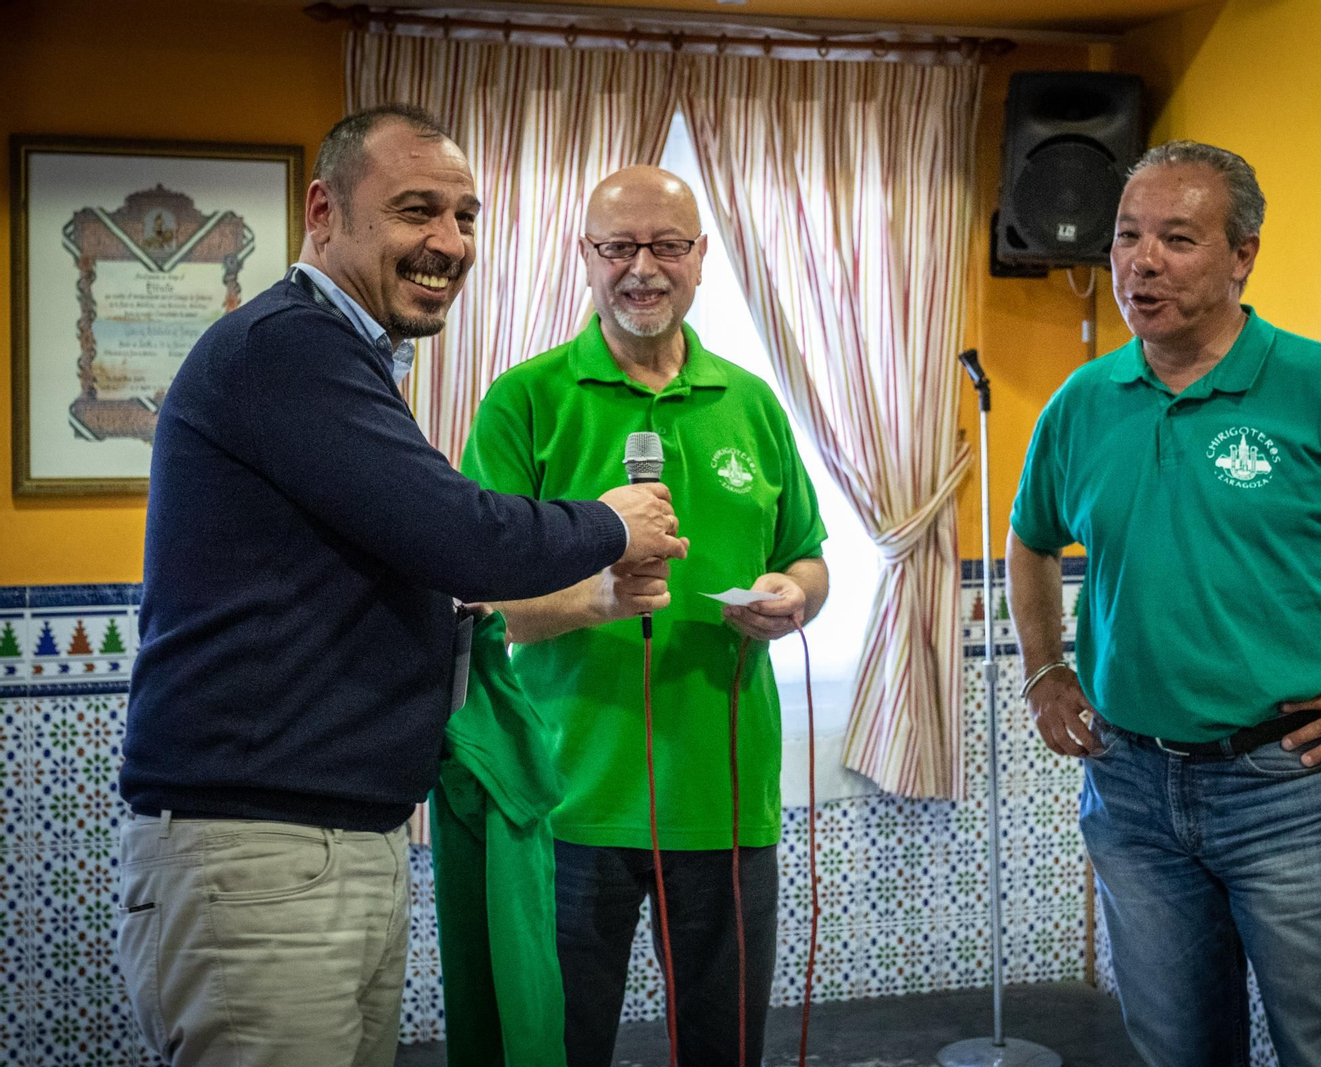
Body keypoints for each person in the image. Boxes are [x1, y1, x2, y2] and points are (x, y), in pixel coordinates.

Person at [115, 106, 687, 1067]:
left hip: (328, 844)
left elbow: (414, 569)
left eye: (466, 217)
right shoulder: (289, 345)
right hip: (262, 854)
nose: (449, 243)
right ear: (324, 211)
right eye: (416, 210)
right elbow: (460, 537)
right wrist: (612, 522)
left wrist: (564, 597)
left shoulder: (347, 360)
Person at [1006, 140, 1321, 1067]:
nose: (1141, 261)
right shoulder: (1082, 403)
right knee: (1176, 1049)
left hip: (1288, 784)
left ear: (1243, 255)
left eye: (1177, 238)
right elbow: (1031, 538)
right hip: (1130, 787)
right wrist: (1046, 670)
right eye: (1127, 236)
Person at [441, 165, 828, 1067]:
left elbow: (809, 552)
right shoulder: (526, 401)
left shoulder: (752, 402)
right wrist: (595, 599)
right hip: (567, 797)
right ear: (585, 257)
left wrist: (796, 595)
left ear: (701, 260)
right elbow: (472, 605)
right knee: (557, 1049)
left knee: (726, 1051)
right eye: (619, 246)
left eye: (666, 246)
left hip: (725, 801)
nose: (642, 268)